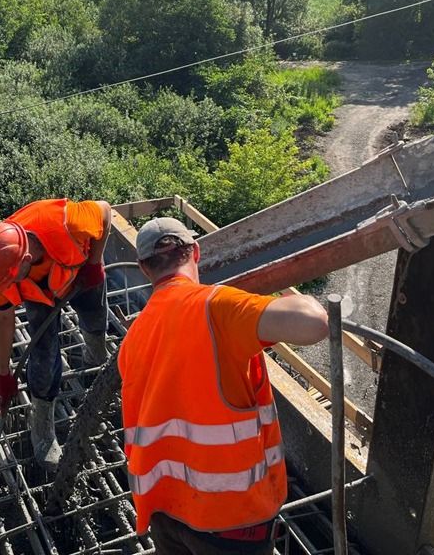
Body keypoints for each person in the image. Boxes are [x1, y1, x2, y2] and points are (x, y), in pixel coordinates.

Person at [118, 217, 329, 554]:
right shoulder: (217, 307)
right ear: (196, 252)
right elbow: (314, 324)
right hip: (232, 523)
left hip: (165, 516)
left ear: (144, 269)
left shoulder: (134, 337)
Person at [0, 198, 113, 471]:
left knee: (95, 316)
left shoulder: (71, 222)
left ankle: (96, 359)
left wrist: (94, 263)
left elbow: (105, 211)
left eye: (11, 282)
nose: (6, 289)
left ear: (25, 260)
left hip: (80, 269)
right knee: (43, 356)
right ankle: (43, 427)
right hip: (41, 293)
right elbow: (2, 317)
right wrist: (3, 374)